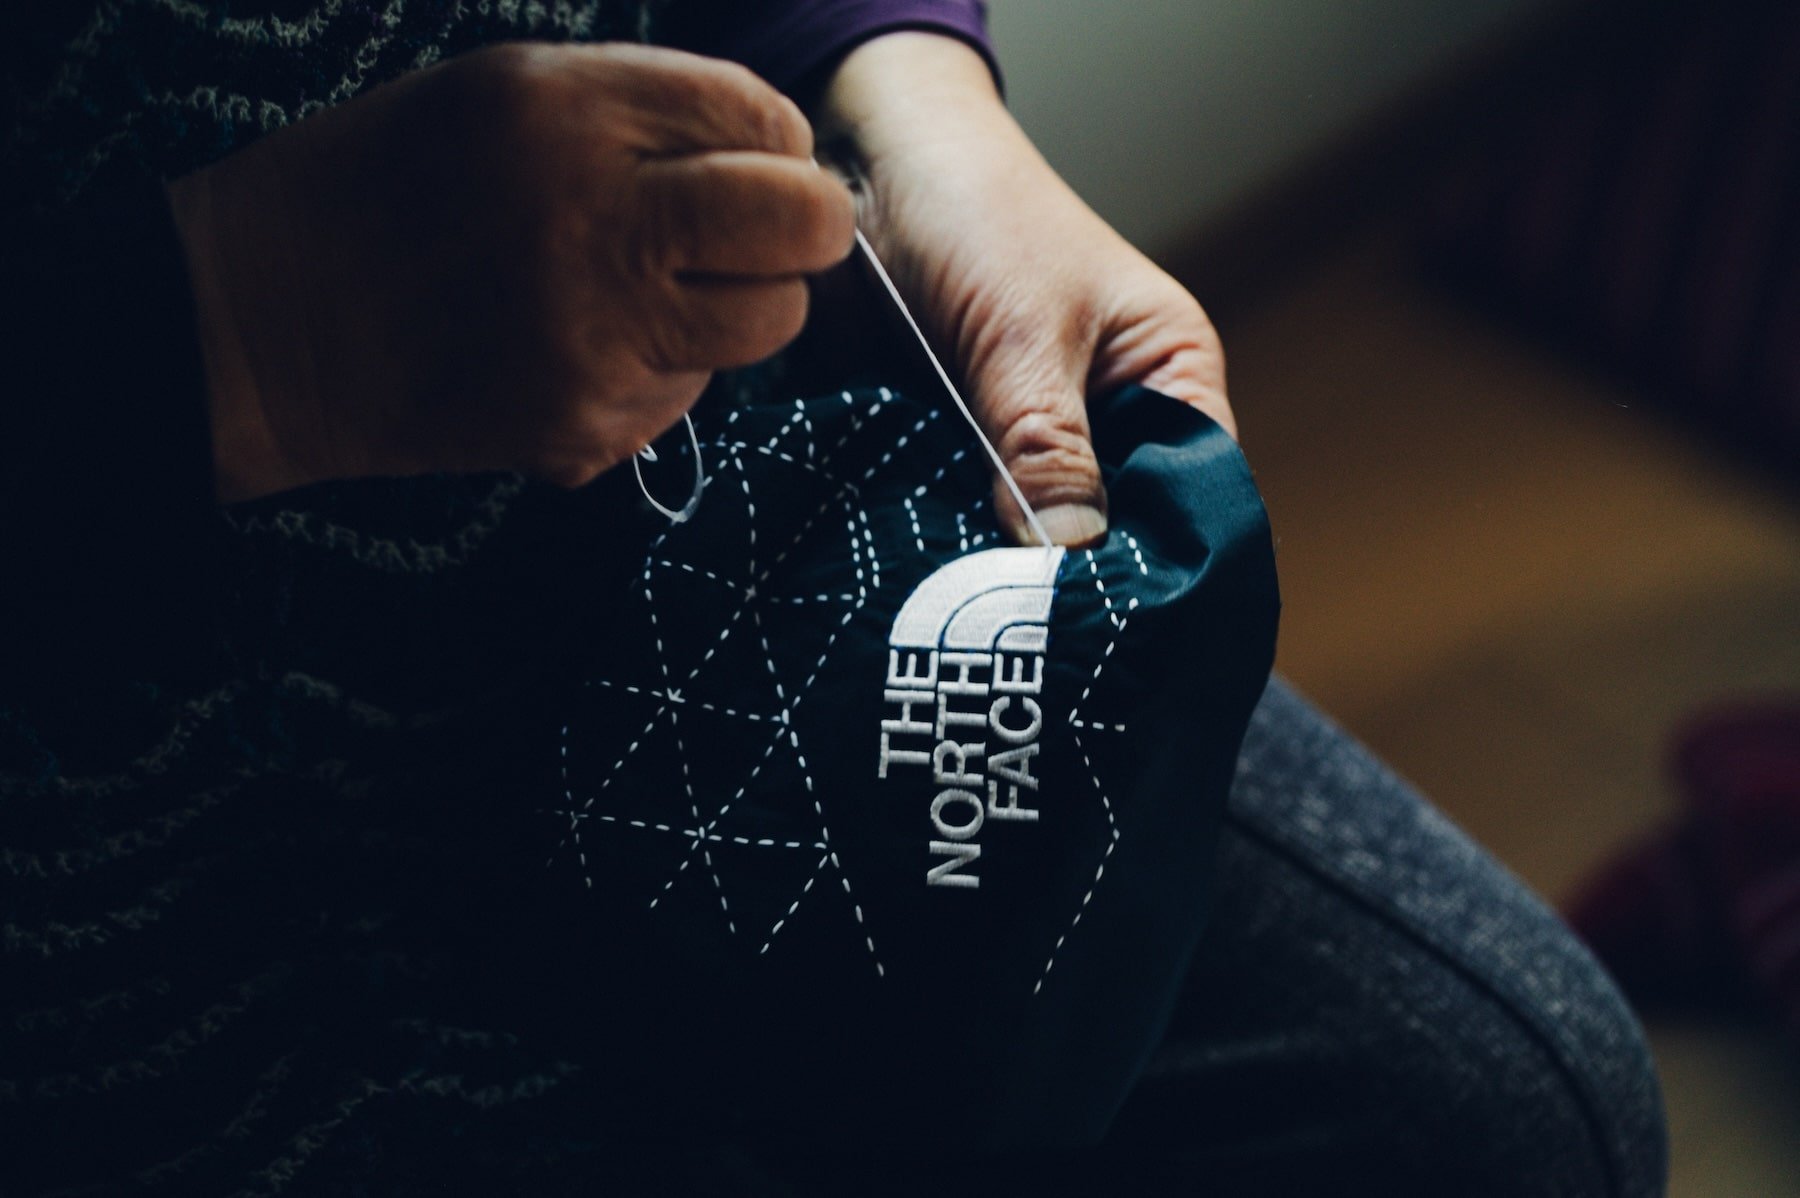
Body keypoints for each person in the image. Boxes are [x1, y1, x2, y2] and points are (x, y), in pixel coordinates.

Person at [1, 1, 1667, 1192]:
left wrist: (915, 103)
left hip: (726, 565)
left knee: (1505, 1109)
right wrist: (241, 337)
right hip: (114, 948)